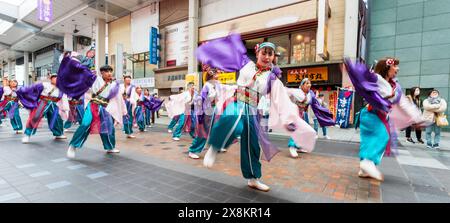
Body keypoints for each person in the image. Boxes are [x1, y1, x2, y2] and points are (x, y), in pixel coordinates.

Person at [197, 34, 319, 192]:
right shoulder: (246, 64)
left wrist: (290, 120)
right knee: (233, 117)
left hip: (254, 110)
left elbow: (281, 99)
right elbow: (230, 55)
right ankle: (214, 147)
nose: (267, 57)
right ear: (257, 53)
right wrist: (213, 52)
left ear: (273, 57)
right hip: (239, 101)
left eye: (270, 54)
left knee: (253, 144)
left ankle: (253, 178)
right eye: (264, 53)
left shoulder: (272, 79)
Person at [344, 57, 425, 181]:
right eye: (395, 66)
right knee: (382, 136)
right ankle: (367, 162)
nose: (397, 69)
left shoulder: (395, 87)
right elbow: (365, 79)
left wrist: (417, 118)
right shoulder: (377, 78)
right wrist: (352, 68)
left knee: (373, 140)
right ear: (387, 67)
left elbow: (404, 103)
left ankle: (364, 168)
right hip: (370, 114)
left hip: (380, 116)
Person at [58, 53, 127, 158]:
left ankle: (110, 147)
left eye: (110, 71)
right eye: (106, 71)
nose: (109, 73)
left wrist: (123, 111)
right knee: (85, 124)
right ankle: (73, 146)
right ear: (101, 73)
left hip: (105, 108)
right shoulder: (95, 79)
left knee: (108, 128)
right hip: (93, 105)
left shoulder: (115, 85)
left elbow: (119, 99)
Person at [286, 79, 335, 158]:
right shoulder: (296, 92)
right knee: (296, 130)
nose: (309, 85)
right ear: (302, 85)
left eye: (310, 83)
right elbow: (285, 91)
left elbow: (317, 104)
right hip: (293, 114)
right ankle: (292, 147)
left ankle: (299, 146)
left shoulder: (310, 94)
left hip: (301, 115)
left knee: (304, 131)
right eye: (307, 83)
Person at [18, 74, 69, 143]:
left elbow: (64, 98)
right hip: (42, 103)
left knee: (57, 119)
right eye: (54, 78)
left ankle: (58, 134)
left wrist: (66, 109)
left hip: (53, 104)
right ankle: (27, 134)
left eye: (57, 78)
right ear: (51, 79)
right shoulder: (44, 84)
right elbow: (32, 89)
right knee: (35, 118)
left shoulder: (62, 89)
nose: (56, 79)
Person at [120, 74, 139, 138]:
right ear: (124, 80)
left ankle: (129, 132)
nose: (128, 81)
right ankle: (127, 131)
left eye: (129, 80)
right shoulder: (121, 86)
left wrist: (132, 102)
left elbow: (133, 96)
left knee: (129, 118)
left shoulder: (132, 87)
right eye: (127, 80)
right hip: (122, 103)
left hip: (129, 103)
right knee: (124, 118)